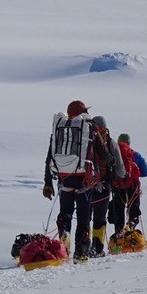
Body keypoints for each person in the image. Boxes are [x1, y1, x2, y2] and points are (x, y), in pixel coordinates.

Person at [43, 100, 93, 261]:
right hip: (84, 182)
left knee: (65, 212)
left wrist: (48, 182)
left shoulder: (59, 131)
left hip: (64, 180)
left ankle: (64, 238)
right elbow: (102, 155)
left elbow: (49, 157)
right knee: (84, 216)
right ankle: (81, 251)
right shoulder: (88, 128)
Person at [88, 116, 126, 257]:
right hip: (104, 185)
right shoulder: (111, 142)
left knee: (85, 217)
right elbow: (120, 168)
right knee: (99, 217)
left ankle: (84, 247)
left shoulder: (86, 140)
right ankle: (97, 248)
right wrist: (123, 176)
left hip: (86, 185)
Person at [110, 133, 147, 235]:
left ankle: (118, 233)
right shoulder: (135, 155)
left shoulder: (112, 154)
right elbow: (146, 172)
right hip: (133, 187)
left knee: (119, 210)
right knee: (133, 209)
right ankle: (131, 227)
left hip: (117, 188)